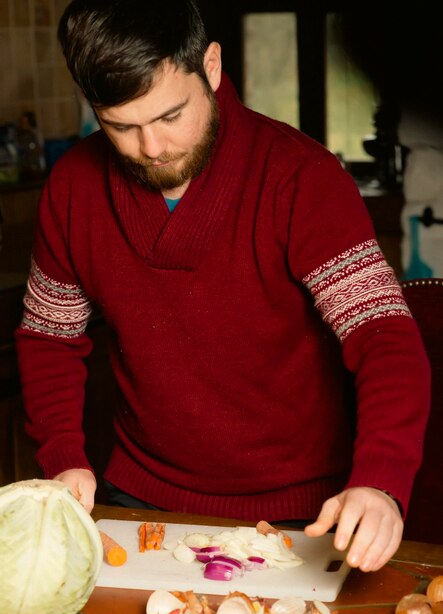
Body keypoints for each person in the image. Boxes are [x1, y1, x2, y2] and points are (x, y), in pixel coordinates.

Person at [15, 0, 430, 573]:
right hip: (137, 499)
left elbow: (383, 334)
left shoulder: (301, 177)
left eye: (170, 116)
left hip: (305, 512)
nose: (152, 148)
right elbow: (49, 338)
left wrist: (381, 482)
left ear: (210, 67)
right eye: (121, 126)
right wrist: (64, 457)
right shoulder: (73, 188)